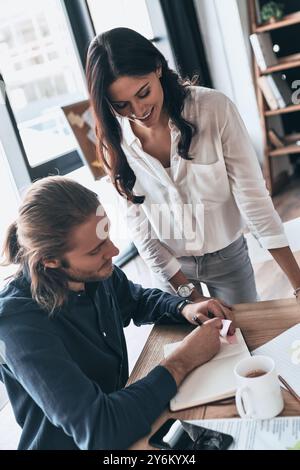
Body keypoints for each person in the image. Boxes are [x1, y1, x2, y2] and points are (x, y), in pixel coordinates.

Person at [0, 176, 233, 450]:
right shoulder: (17, 324)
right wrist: (181, 361)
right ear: (50, 261)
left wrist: (184, 307)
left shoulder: (94, 272)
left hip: (127, 423)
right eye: (96, 249)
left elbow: (136, 299)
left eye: (107, 235)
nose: (114, 250)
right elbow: (99, 429)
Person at [86, 27, 300, 307]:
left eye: (144, 92)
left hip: (228, 257)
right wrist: (189, 294)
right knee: (194, 341)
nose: (138, 111)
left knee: (249, 341)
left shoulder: (213, 109)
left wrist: (297, 284)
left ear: (158, 68)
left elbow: (252, 198)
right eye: (121, 104)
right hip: (170, 267)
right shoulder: (113, 141)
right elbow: (140, 226)